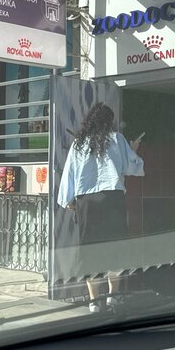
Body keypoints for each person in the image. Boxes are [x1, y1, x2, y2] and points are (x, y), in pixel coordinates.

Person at [56, 102, 144, 312]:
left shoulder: (79, 144)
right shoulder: (117, 139)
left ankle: (95, 301)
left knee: (90, 250)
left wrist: (67, 199)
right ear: (108, 122)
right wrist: (133, 150)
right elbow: (132, 167)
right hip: (112, 199)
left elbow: (70, 172)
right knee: (116, 248)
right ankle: (114, 297)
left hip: (87, 203)